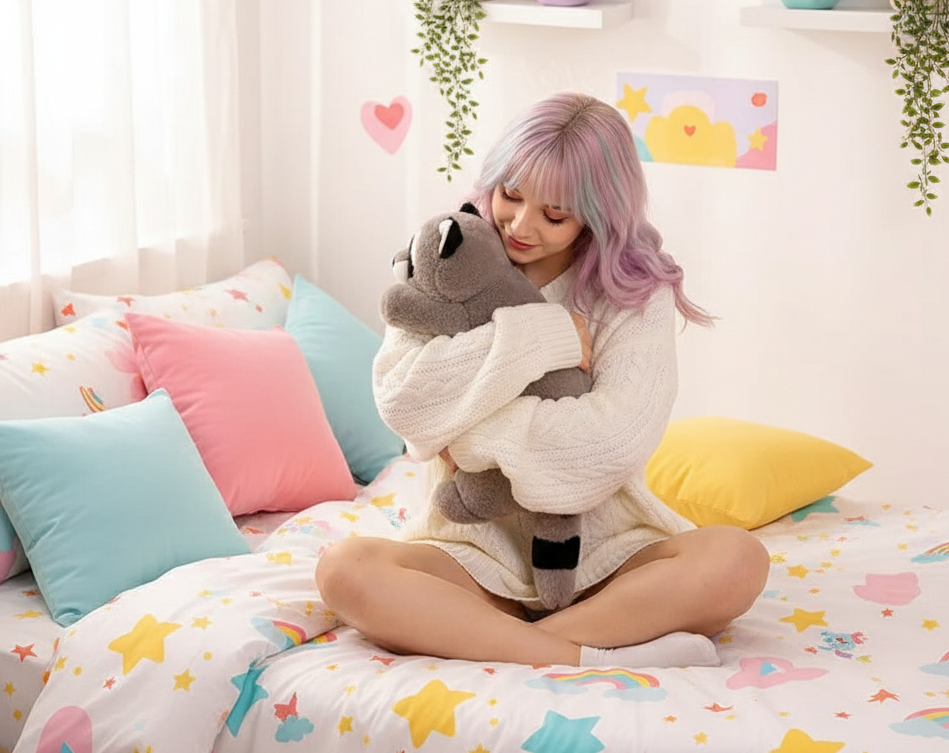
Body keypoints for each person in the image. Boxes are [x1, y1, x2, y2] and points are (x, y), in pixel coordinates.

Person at [315, 92, 769, 668]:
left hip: (607, 556)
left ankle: (506, 641)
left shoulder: (633, 291)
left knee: (737, 559)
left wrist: (466, 437)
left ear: (599, 216)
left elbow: (614, 439)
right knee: (343, 570)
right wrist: (545, 335)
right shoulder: (445, 255)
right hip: (472, 549)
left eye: (554, 215)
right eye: (511, 195)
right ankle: (587, 653)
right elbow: (405, 400)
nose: (522, 225)